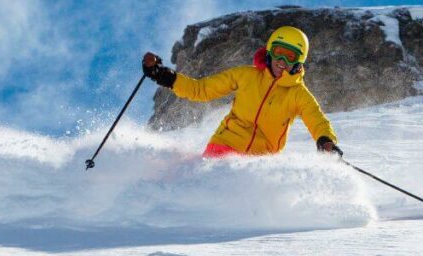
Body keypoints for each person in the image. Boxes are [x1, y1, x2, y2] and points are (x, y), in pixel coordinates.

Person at [142, 26, 342, 158]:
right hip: (223, 147)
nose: (283, 62)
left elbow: (317, 120)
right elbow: (200, 90)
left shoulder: (298, 93)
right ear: (271, 52)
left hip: (259, 160)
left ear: (299, 61)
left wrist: (326, 140)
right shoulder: (246, 75)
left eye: (291, 57)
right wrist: (162, 75)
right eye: (280, 53)